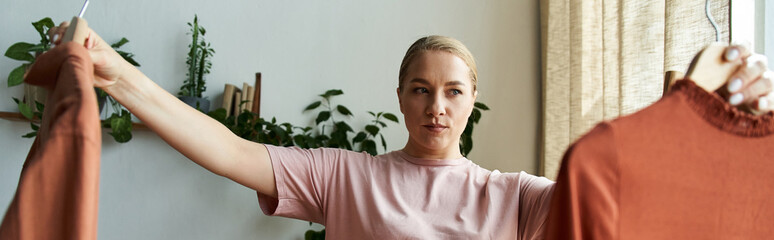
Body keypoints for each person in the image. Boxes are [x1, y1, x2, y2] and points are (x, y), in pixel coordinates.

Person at [48, 22, 773, 239]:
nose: (437, 106)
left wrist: (690, 108)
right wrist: (115, 75)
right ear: (400, 98)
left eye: (453, 93)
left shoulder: (516, 198)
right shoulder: (347, 177)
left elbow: (625, 201)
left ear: (472, 102)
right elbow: (229, 150)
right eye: (422, 91)